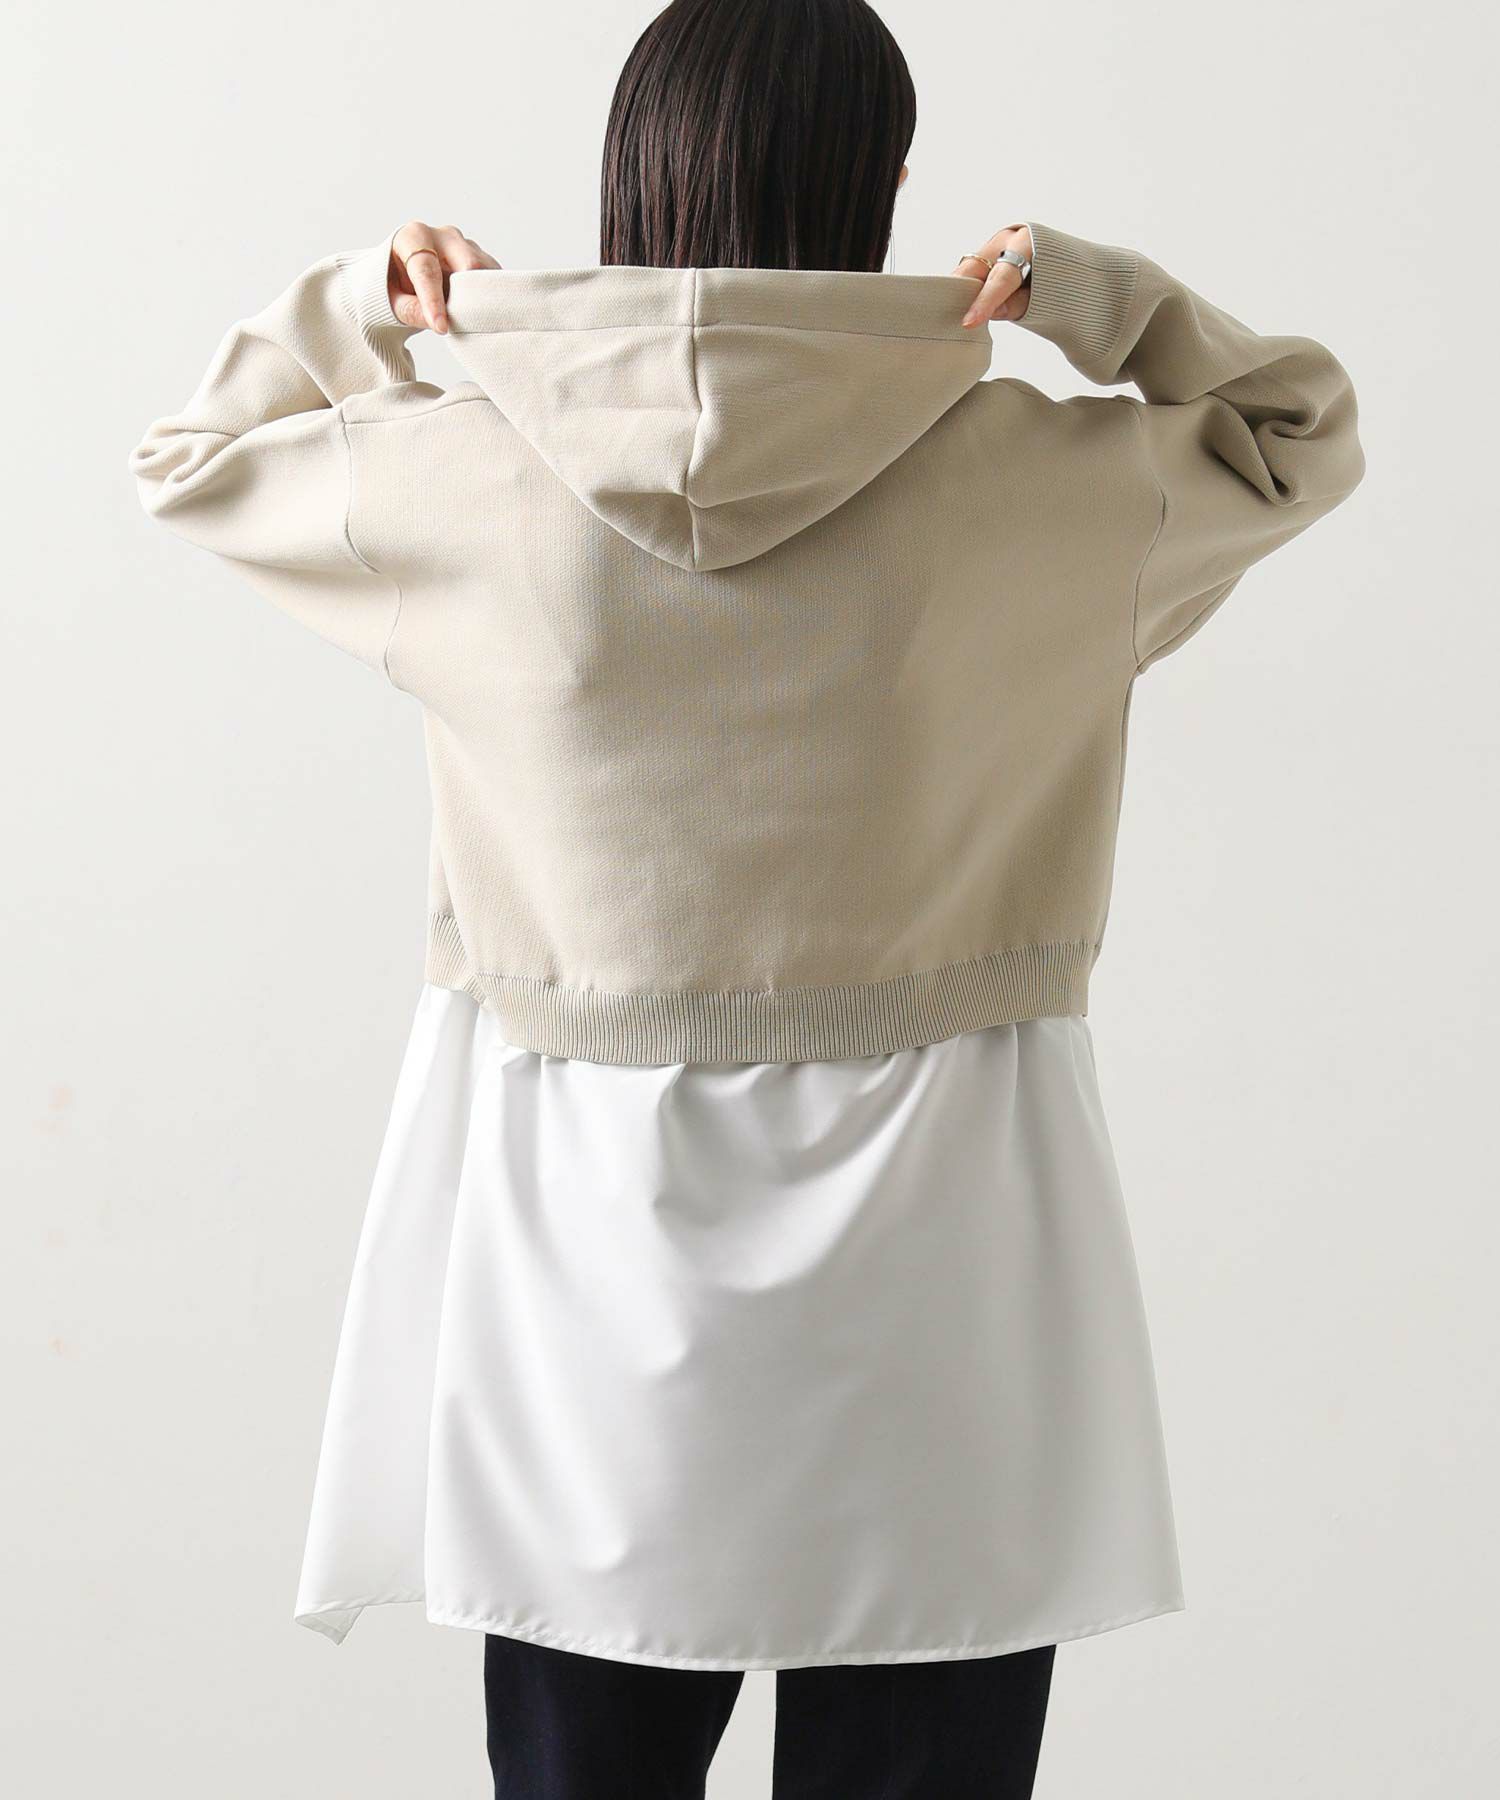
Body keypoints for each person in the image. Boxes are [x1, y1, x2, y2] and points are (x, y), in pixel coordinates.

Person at [128, 0, 1364, 1793]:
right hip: (952, 1221)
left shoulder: (462, 472)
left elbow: (187, 461)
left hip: (576, 1233)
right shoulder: (1050, 486)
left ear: (630, 171)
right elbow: (1296, 428)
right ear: (888, 180)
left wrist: (364, 308)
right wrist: (1089, 298)